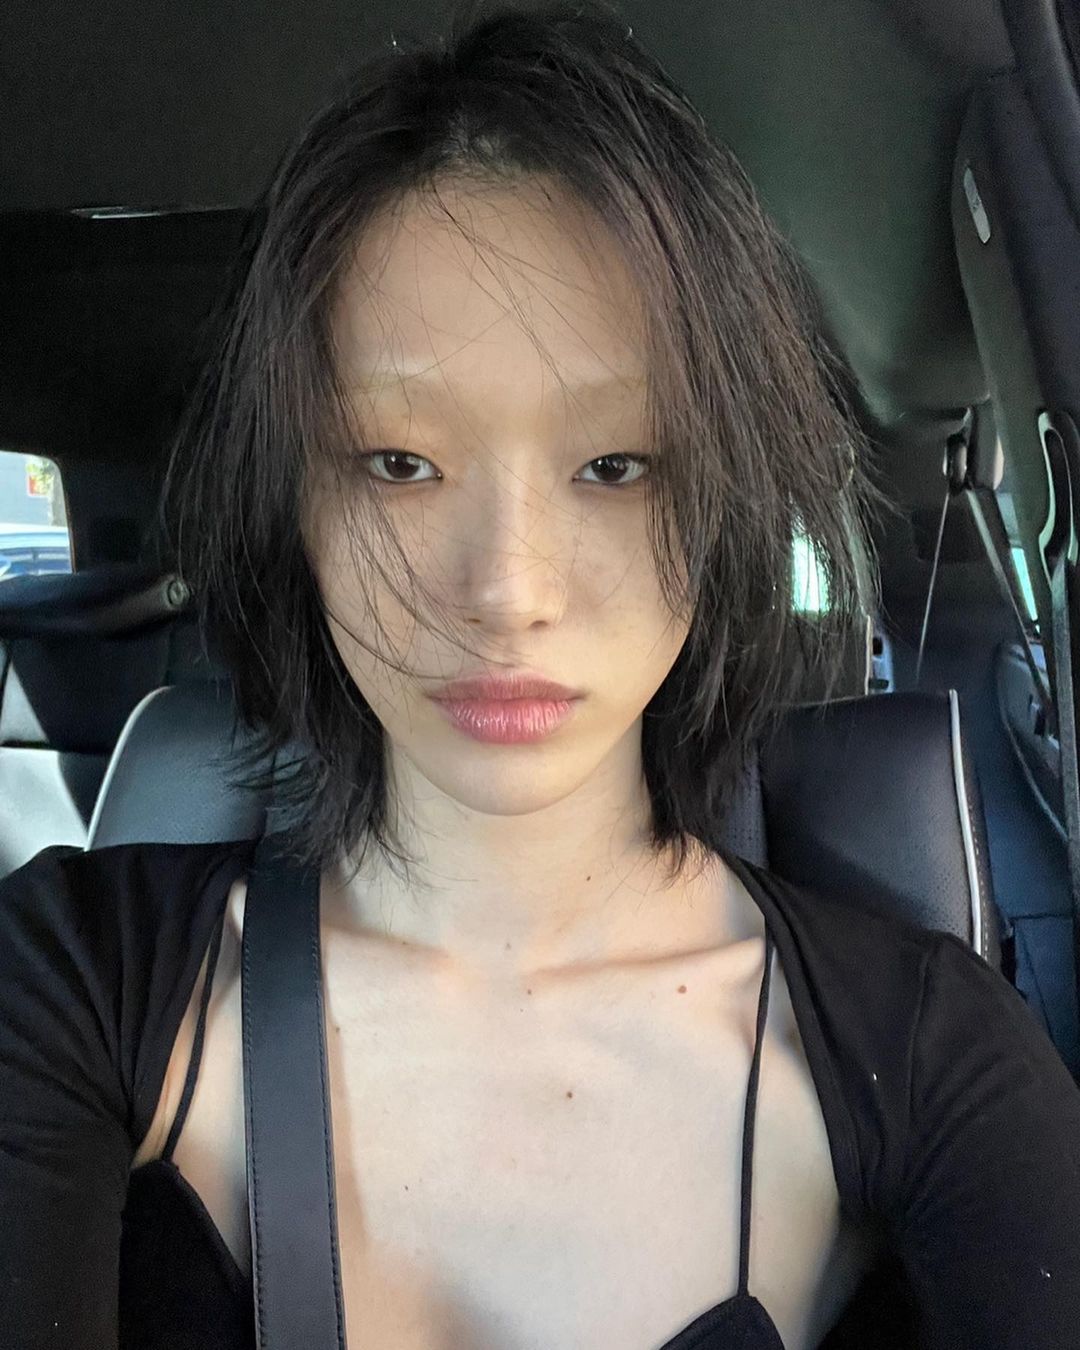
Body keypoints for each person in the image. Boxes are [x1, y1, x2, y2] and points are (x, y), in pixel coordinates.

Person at [2, 3, 1079, 1347]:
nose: (508, 590)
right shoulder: (69, 977)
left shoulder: (935, 1052)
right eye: (399, 463)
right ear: (295, 506)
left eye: (615, 465)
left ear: (724, 503)